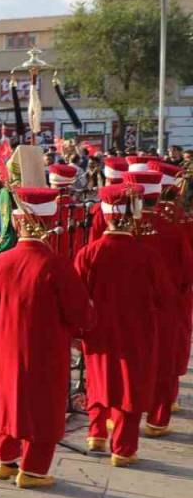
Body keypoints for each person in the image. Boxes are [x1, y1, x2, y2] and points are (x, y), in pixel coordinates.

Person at [0, 186, 93, 489]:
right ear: (49, 223)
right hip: (45, 348)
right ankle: (34, 470)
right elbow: (81, 316)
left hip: (6, 346)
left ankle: (6, 461)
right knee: (45, 408)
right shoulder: (57, 264)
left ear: (16, 221)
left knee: (10, 400)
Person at [74, 183, 166, 466]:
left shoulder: (88, 253)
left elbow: (77, 296)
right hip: (137, 331)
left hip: (98, 329)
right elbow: (163, 297)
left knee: (99, 378)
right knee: (131, 386)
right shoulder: (147, 255)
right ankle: (123, 449)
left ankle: (96, 432)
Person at [129, 167, 193, 438]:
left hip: (130, 305)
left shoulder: (124, 228)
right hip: (168, 306)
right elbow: (188, 272)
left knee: (129, 361)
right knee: (164, 362)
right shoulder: (175, 225)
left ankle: (121, 419)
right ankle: (157, 420)